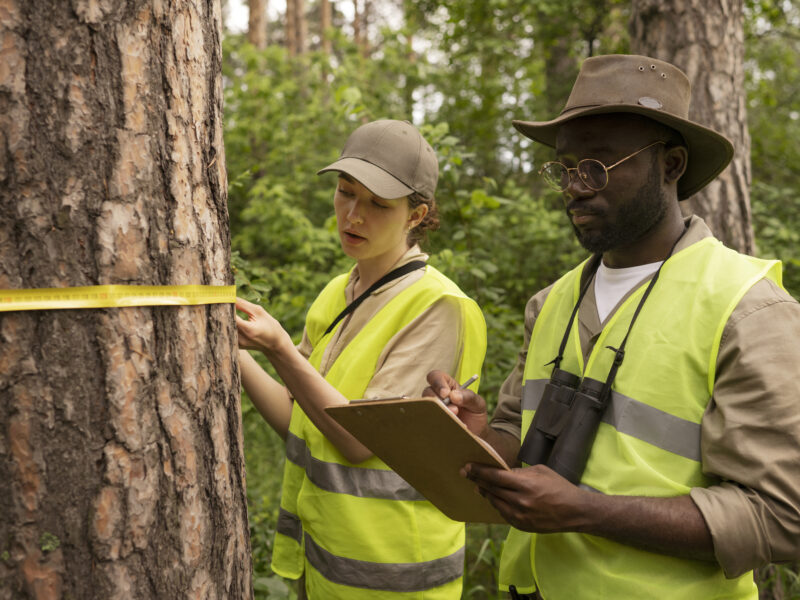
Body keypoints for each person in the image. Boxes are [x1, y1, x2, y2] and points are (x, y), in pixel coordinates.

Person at [426, 54, 800, 599]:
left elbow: (782, 513)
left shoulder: (747, 310)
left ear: (671, 165)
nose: (575, 187)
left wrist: (587, 512)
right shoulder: (551, 303)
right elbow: (516, 438)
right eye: (564, 168)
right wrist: (477, 435)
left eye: (597, 166)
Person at [235, 119, 487, 599]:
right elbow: (298, 418)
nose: (353, 215)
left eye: (378, 204)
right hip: (324, 565)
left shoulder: (439, 308)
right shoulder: (338, 292)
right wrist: (231, 349)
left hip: (397, 579)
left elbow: (356, 442)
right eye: (346, 192)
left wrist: (278, 348)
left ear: (416, 215)